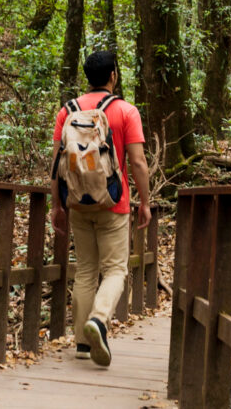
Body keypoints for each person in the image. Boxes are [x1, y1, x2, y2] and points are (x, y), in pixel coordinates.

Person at [50, 51, 152, 367]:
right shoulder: (126, 111)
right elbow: (137, 161)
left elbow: (56, 165)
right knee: (116, 269)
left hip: (78, 203)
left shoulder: (66, 112)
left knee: (84, 270)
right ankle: (98, 319)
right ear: (113, 76)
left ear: (88, 76)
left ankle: (82, 344)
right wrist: (145, 202)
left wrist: (57, 204)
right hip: (113, 202)